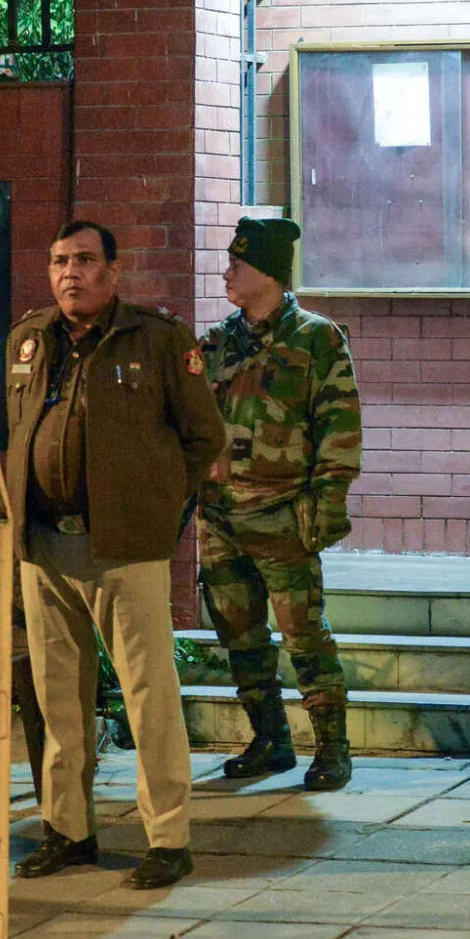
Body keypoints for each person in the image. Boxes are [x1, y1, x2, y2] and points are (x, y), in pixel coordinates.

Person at [4, 220, 227, 890]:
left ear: (113, 270)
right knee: (58, 698)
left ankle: (168, 838)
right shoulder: (28, 338)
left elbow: (204, 436)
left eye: (83, 260)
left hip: (126, 549)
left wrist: (157, 506)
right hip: (45, 545)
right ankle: (68, 830)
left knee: (148, 695)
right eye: (58, 260)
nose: (69, 272)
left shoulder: (156, 340)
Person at [198, 217, 363, 790]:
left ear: (268, 273)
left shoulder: (317, 339)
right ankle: (270, 740)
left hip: (284, 513)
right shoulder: (215, 342)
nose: (226, 274)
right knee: (240, 637)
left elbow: (339, 424)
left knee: (305, 636)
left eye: (237, 265)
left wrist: (330, 498)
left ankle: (333, 749)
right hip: (221, 516)